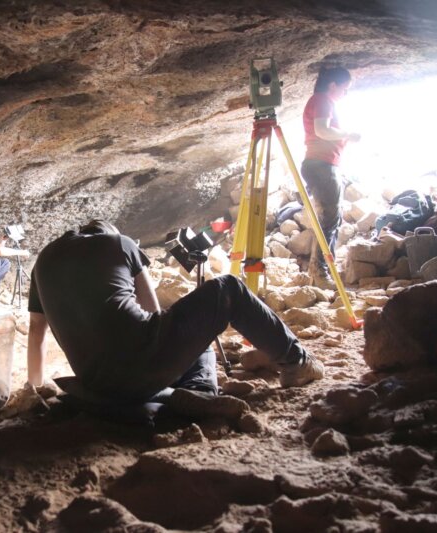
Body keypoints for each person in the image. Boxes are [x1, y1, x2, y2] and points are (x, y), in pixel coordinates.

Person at [26, 219, 323, 414]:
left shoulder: (43, 262)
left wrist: (36, 391)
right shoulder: (120, 243)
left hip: (95, 383)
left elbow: (36, 333)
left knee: (180, 335)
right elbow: (155, 311)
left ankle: (180, 396)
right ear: (109, 232)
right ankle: (295, 362)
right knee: (226, 290)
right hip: (140, 368)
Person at [301, 66, 361, 288]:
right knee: (329, 219)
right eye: (344, 88)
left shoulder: (322, 102)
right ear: (333, 85)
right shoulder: (322, 100)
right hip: (321, 165)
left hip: (322, 164)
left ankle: (319, 269)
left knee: (330, 218)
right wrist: (348, 134)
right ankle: (321, 271)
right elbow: (322, 131)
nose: (345, 93)